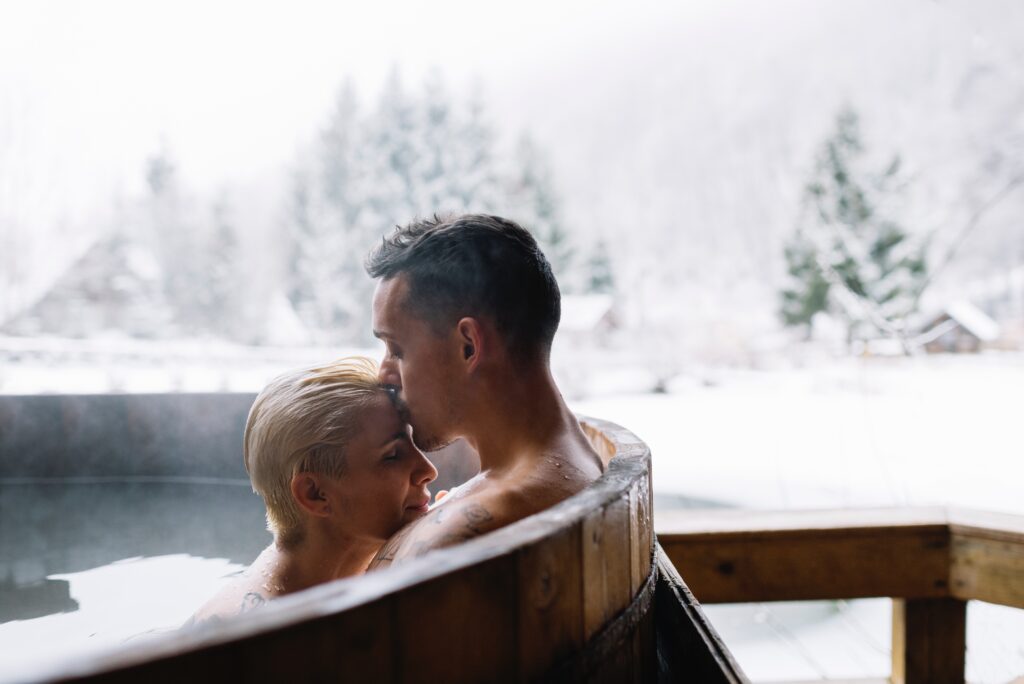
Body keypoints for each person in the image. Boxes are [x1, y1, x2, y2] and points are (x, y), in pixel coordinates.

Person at [366, 214, 603, 568]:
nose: (384, 374)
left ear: (468, 347)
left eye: (397, 350)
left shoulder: (464, 539)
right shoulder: (572, 459)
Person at [188, 357, 437, 622]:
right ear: (315, 494)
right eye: (393, 455)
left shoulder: (375, 573)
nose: (428, 470)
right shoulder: (249, 630)